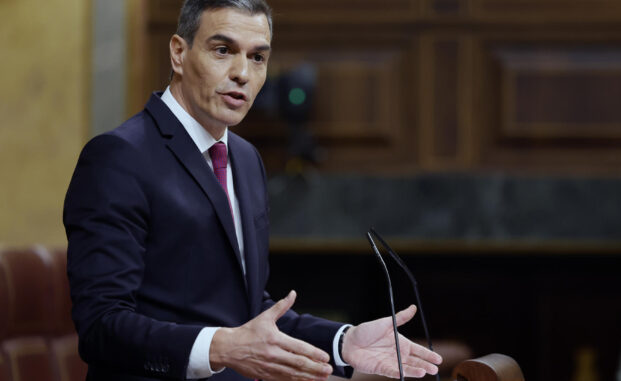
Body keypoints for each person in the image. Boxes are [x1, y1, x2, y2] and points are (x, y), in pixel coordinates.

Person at [63, 1, 442, 380]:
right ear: (179, 53)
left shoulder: (245, 159)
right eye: (223, 50)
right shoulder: (119, 157)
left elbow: (247, 312)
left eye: (258, 57)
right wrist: (221, 348)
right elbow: (101, 326)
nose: (242, 73)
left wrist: (343, 342)